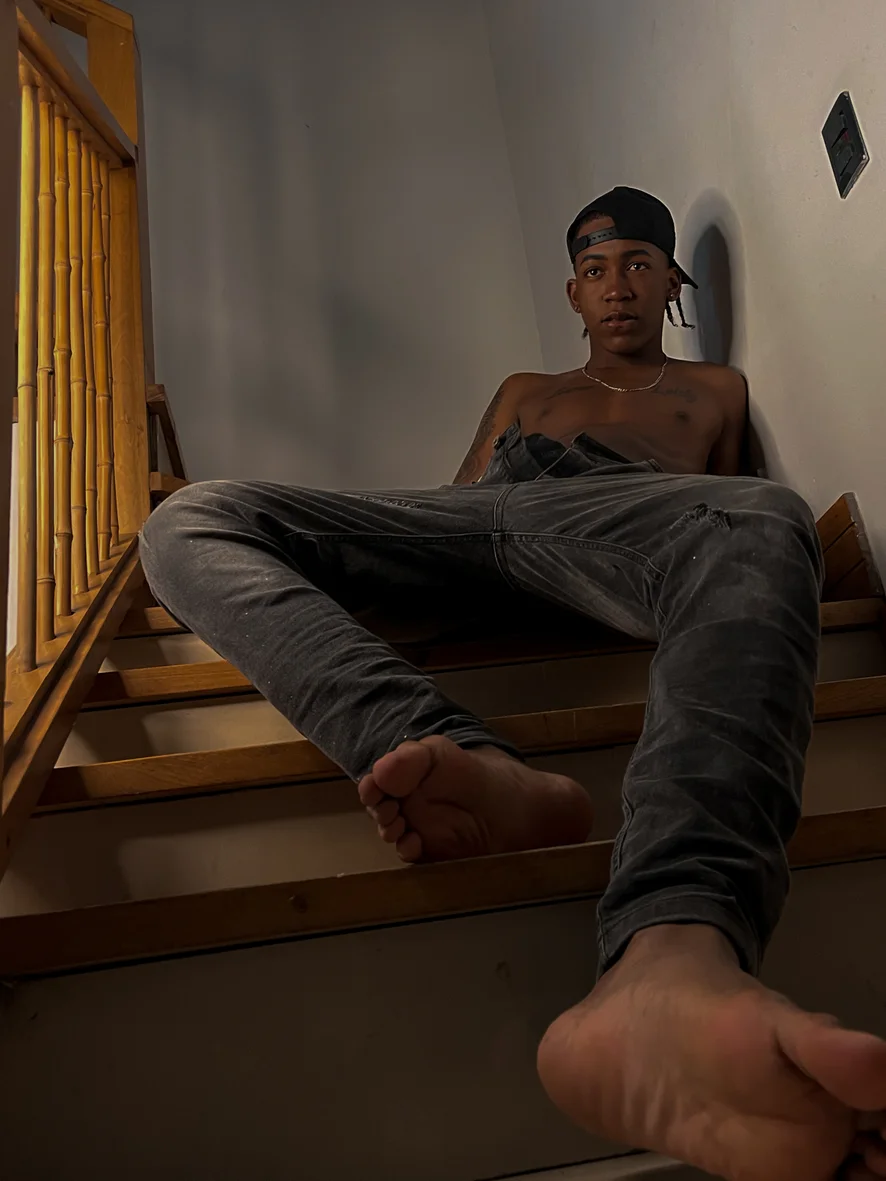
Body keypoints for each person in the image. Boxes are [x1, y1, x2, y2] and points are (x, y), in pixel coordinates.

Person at [140, 186, 886, 1181]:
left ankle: (670, 953)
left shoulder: (716, 388)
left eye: (637, 265)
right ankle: (461, 755)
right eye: (594, 270)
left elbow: (724, 539)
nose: (615, 286)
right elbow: (454, 498)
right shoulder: (526, 386)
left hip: (620, 526)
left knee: (761, 514)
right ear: (572, 294)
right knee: (188, 519)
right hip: (483, 516)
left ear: (671, 283)